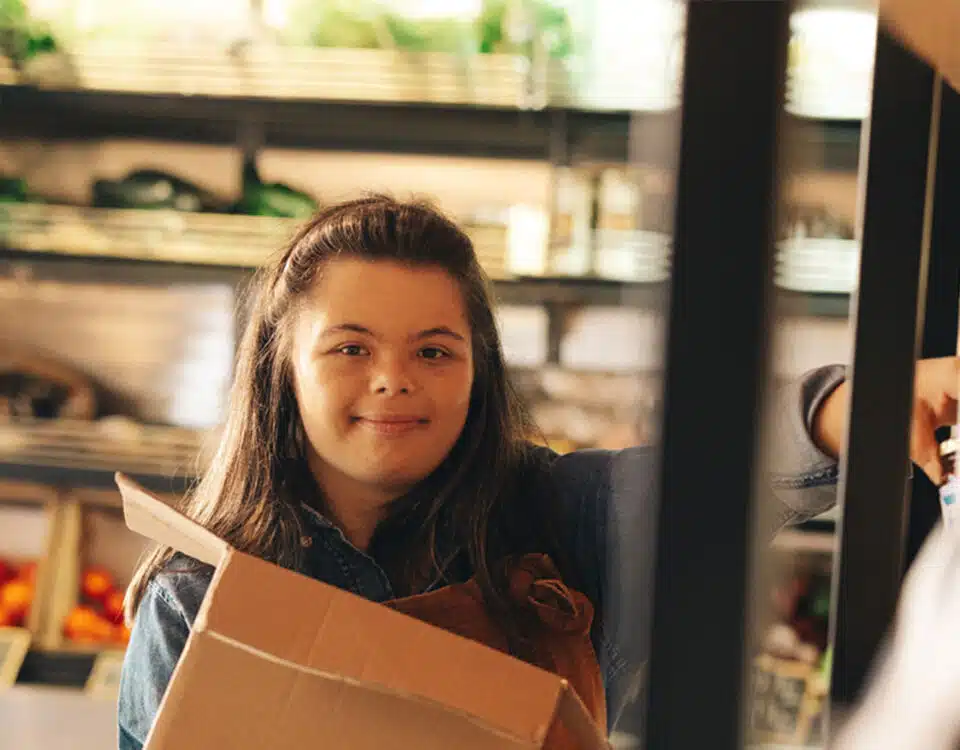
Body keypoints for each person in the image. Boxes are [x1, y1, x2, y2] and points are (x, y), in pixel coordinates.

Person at [117, 195, 960, 749]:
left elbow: (719, 479)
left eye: (434, 350)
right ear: (279, 367)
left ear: (478, 370)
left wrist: (858, 406)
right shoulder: (196, 598)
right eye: (350, 348)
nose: (393, 379)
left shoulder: (560, 518)